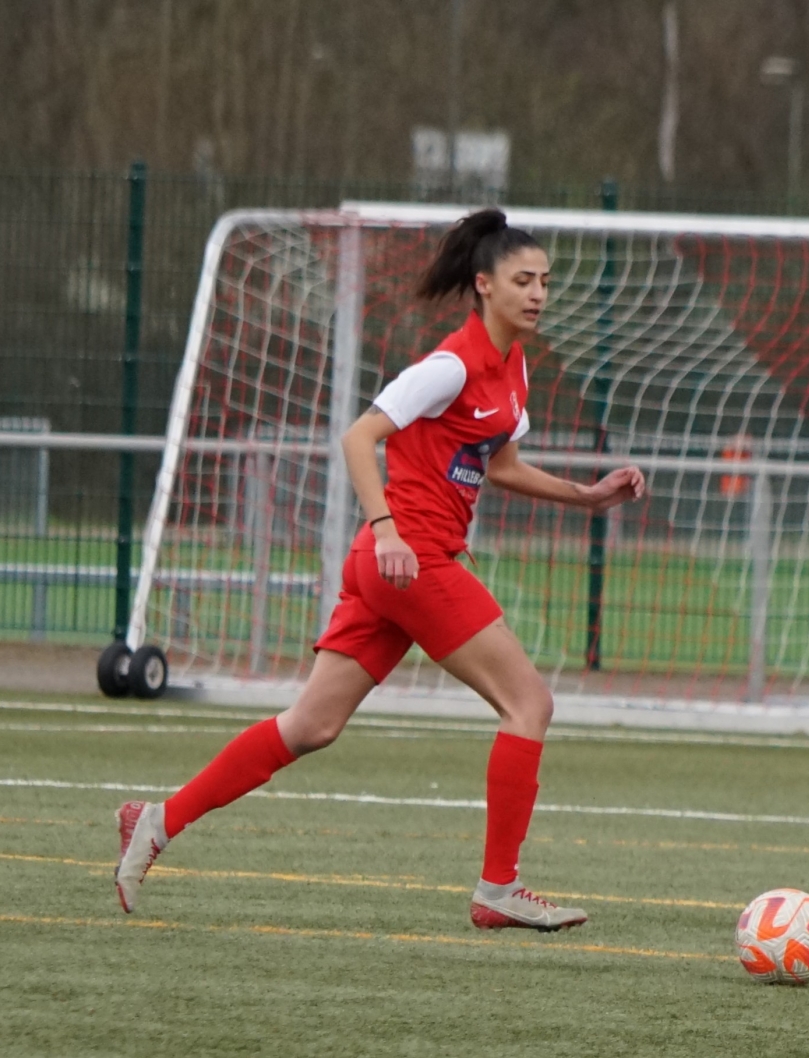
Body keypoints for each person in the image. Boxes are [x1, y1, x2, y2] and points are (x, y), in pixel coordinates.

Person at [115, 209, 647, 931]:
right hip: (409, 556)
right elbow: (359, 436)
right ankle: (499, 889)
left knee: (310, 725)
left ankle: (155, 820)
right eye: (523, 280)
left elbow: (502, 464)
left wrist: (584, 495)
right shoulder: (450, 365)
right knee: (530, 704)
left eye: (545, 282)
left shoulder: (514, 368)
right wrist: (388, 527)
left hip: (394, 566)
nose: (538, 294)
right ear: (484, 285)